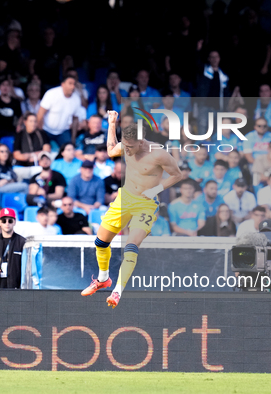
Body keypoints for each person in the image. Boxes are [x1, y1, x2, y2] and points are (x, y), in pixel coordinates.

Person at [81, 110, 183, 308]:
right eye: (125, 146)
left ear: (141, 141)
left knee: (131, 246)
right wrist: (112, 123)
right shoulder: (127, 146)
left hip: (146, 204)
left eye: (129, 147)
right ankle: (103, 279)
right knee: (101, 242)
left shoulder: (159, 154)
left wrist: (157, 189)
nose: (125, 151)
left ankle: (117, 291)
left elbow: (177, 175)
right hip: (124, 198)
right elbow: (111, 150)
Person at [36, 74, 81, 147]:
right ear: (63, 84)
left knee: (69, 150)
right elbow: (40, 114)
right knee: (42, 150)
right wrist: (40, 132)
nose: (73, 86)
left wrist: (73, 138)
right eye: (70, 83)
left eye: (74, 84)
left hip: (63, 131)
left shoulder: (76, 99)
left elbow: (75, 119)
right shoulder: (51, 94)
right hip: (46, 130)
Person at [13, 112, 51, 182]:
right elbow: (17, 155)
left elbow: (46, 150)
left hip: (39, 164)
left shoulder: (42, 133)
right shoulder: (19, 135)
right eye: (30, 121)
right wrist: (29, 157)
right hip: (23, 165)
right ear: (25, 122)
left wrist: (33, 156)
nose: (33, 123)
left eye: (35, 121)